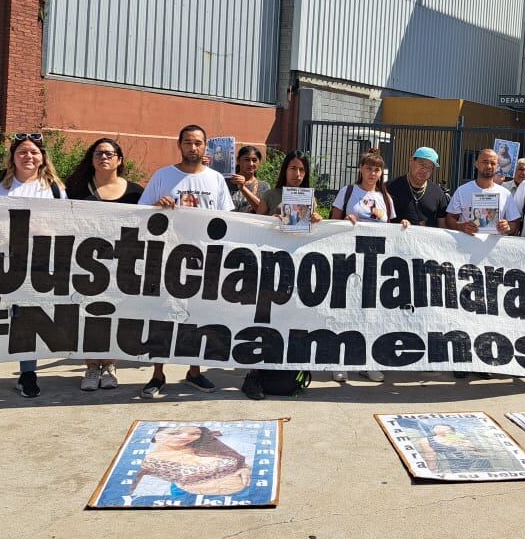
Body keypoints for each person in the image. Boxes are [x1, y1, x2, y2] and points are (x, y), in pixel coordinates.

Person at [137, 125, 233, 398]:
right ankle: (157, 374)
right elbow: (141, 213)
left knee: (198, 316)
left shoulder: (215, 179)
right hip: (167, 258)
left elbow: (227, 220)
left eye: (198, 143)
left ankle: (194, 371)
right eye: (188, 142)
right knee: (163, 317)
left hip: (204, 260)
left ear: (206, 147)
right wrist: (157, 205)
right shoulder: (163, 176)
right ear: (179, 145)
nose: (193, 147)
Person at [0, 133, 67, 400]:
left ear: (43, 157)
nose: (29, 156)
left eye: (34, 152)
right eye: (22, 152)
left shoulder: (53, 188)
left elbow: (66, 223)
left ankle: (27, 374)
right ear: (13, 156)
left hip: (35, 263)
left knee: (29, 320)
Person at [65, 137, 145, 391]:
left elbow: (147, 224)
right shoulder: (76, 188)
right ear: (92, 159)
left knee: (115, 316)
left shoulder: (135, 192)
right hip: (85, 264)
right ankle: (91, 367)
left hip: (122, 265)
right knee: (87, 317)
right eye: (99, 153)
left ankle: (109, 366)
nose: (104, 157)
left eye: (110, 154)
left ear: (119, 160)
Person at [245, 151, 324, 400]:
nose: (297, 174)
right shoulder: (271, 195)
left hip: (296, 269)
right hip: (269, 266)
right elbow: (254, 225)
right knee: (265, 320)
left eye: (302, 170)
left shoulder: (309, 198)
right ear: (284, 170)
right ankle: (255, 375)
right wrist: (271, 221)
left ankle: (286, 375)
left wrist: (317, 220)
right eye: (293, 168)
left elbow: (312, 232)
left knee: (290, 321)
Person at [330, 149, 407, 382]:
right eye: (369, 168)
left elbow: (392, 229)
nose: (372, 173)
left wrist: (403, 223)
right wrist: (344, 221)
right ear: (360, 168)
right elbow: (332, 222)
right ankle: (339, 362)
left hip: (375, 264)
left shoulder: (386, 198)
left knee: (371, 314)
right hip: (348, 260)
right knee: (344, 312)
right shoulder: (348, 192)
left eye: (377, 169)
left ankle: (368, 361)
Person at [133, 426, 251, 498]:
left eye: (194, 433)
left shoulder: (205, 447)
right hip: (194, 500)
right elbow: (122, 490)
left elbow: (238, 461)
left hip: (246, 493)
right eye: (174, 433)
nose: (185, 437)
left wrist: (245, 469)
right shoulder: (147, 460)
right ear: (157, 435)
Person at [446, 148, 521, 236]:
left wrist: (507, 227)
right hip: (466, 246)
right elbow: (449, 218)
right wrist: (461, 227)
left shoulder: (506, 194)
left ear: (497, 167)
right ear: (476, 164)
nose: (489, 166)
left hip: (494, 248)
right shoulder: (462, 190)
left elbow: (514, 224)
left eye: (493, 163)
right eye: (485, 162)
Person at [387, 146, 449, 227]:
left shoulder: (439, 194)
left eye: (429, 167)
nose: (424, 170)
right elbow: (381, 220)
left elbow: (442, 227)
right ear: (411, 161)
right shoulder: (390, 187)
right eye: (421, 164)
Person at [226, 144, 269, 213]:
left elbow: (262, 211)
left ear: (259, 162)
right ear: (238, 160)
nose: (251, 164)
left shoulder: (263, 186)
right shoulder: (226, 181)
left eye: (254, 160)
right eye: (247, 160)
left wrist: (243, 188)